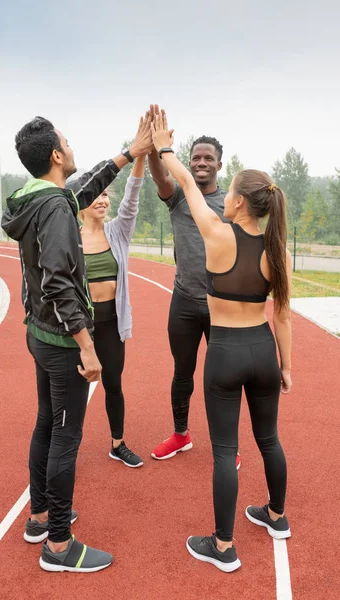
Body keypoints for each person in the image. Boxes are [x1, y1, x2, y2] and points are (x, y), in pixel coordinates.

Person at [1, 114, 152, 573]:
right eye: (66, 141)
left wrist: (130, 153)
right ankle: (60, 546)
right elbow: (60, 284)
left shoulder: (39, 199)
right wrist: (88, 347)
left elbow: (82, 190)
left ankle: (40, 518)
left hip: (39, 334)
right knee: (65, 438)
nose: (71, 145)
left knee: (46, 423)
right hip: (64, 343)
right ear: (56, 155)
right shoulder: (54, 210)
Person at [151, 111, 292, 572]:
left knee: (226, 451)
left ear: (239, 204)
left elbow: (188, 188)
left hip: (227, 353)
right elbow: (284, 316)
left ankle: (224, 546)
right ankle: (276, 516)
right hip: (264, 350)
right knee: (269, 439)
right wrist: (286, 367)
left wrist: (164, 147)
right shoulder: (276, 250)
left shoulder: (216, 234)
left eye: (230, 191)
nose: (223, 196)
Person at [148, 105, 241, 470]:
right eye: (196, 157)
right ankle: (181, 434)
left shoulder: (232, 205)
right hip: (184, 301)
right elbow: (161, 179)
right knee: (182, 372)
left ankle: (227, 445)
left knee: (223, 378)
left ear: (219, 164)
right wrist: (158, 150)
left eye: (208, 158)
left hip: (221, 305)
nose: (201, 162)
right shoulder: (178, 197)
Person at [79, 117, 151, 468]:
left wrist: (141, 153)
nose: (103, 199)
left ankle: (117, 442)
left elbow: (133, 195)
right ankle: (67, 448)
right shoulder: (69, 239)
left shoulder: (117, 233)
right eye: (96, 194)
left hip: (111, 324)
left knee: (114, 384)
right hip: (79, 326)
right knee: (75, 390)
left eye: (106, 193)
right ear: (80, 202)